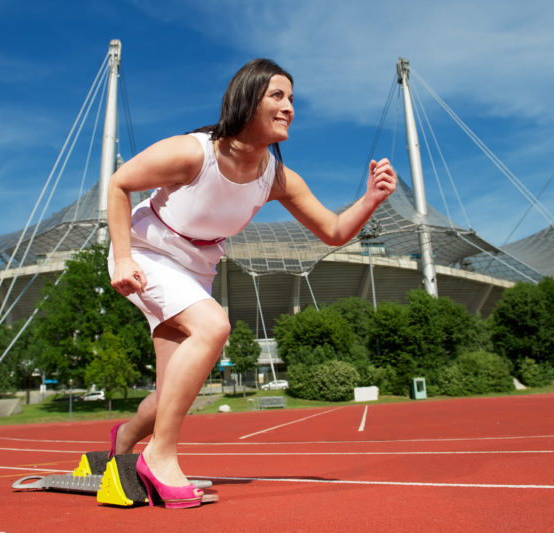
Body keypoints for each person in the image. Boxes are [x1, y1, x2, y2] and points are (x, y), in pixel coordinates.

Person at [106, 58, 396, 509]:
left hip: (197, 265)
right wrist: (122, 258)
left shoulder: (276, 177)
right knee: (213, 326)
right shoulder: (192, 152)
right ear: (246, 100)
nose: (289, 108)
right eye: (277, 96)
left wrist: (371, 199)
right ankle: (159, 457)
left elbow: (335, 231)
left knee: (170, 394)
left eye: (292, 99)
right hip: (149, 252)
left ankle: (124, 438)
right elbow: (120, 184)